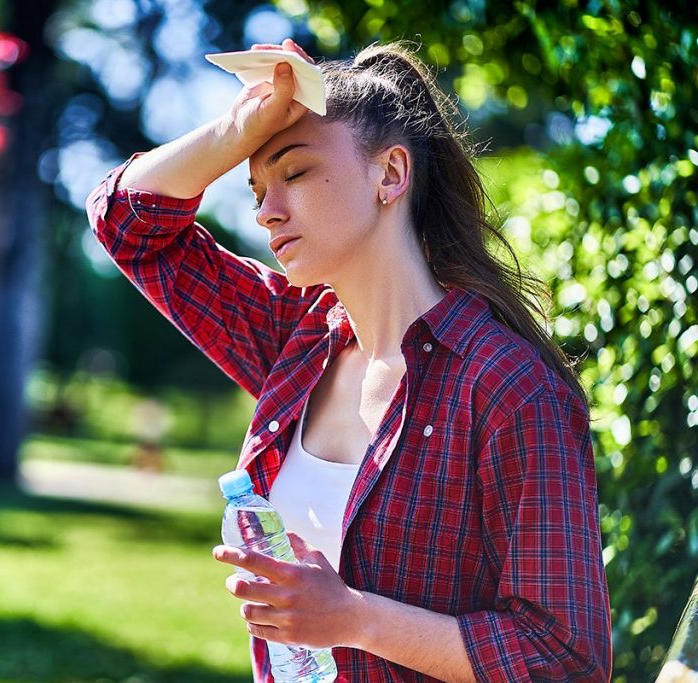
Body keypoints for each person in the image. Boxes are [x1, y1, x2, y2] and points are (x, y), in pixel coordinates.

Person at [86, 38, 611, 683]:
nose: (265, 210)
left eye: (296, 173)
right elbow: (127, 224)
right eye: (257, 187)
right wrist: (239, 128)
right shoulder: (297, 341)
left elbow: (564, 658)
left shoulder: (508, 389)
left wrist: (352, 618)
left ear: (390, 174)